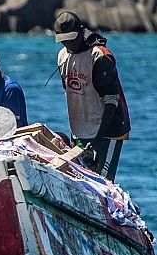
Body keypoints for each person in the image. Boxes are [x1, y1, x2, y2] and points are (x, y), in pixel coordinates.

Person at [54, 10, 130, 179]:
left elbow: (112, 100)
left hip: (106, 132)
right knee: (82, 179)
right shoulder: (62, 56)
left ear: (81, 32)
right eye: (63, 40)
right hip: (80, 130)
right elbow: (71, 92)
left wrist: (96, 141)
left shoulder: (99, 56)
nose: (68, 44)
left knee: (102, 182)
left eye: (71, 38)